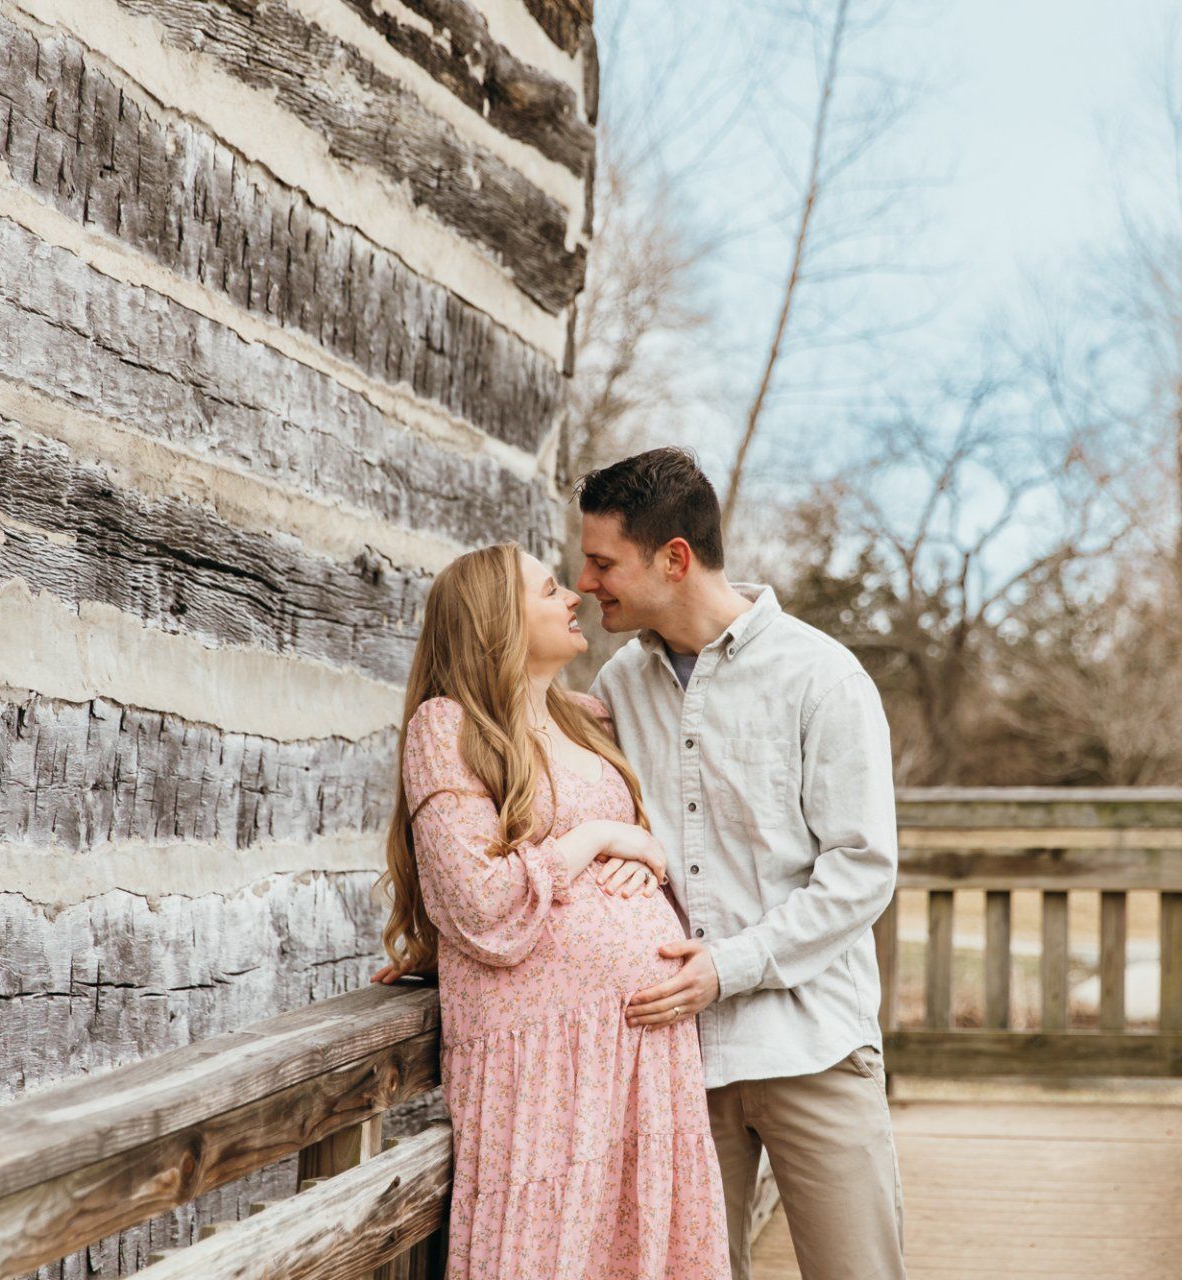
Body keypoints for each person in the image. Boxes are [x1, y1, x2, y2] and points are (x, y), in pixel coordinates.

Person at [575, 448, 907, 1280]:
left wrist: (730, 967)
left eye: (604, 562)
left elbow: (861, 870)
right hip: (677, 1058)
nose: (586, 582)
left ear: (673, 559)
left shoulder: (822, 677)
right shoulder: (621, 681)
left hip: (812, 1045)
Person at [376, 542, 730, 1280]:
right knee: (547, 1250)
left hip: (643, 1042)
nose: (572, 596)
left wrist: (644, 850)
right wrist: (604, 837)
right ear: (497, 621)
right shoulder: (447, 727)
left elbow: (667, 831)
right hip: (539, 1054)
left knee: (645, 1244)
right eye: (546, 591)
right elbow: (476, 896)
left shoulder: (586, 716)